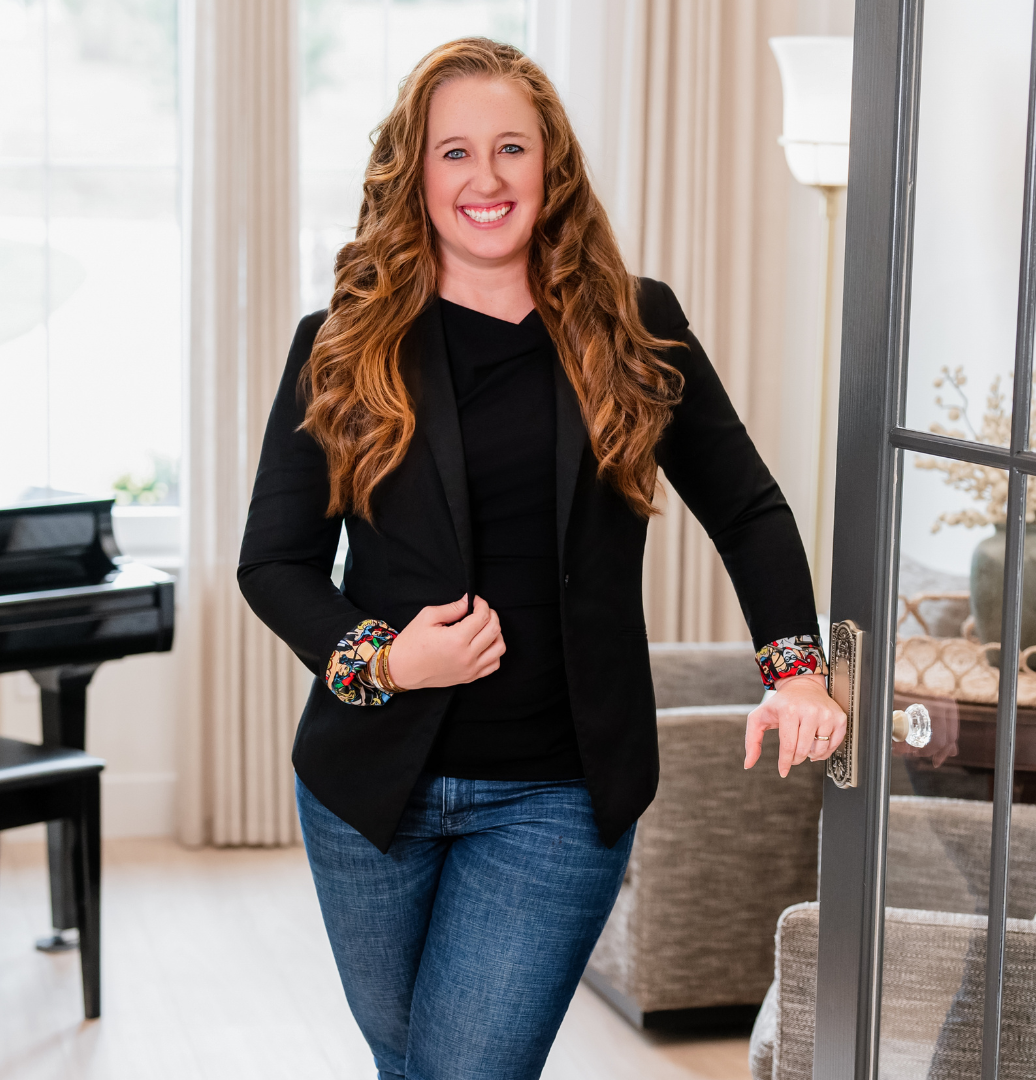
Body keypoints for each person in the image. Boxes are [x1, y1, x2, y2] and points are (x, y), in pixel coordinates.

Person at [238, 36, 846, 1080]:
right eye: (455, 152)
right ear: (414, 173)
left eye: (511, 147)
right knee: (414, 1066)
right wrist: (384, 658)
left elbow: (746, 507)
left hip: (557, 795)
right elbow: (274, 563)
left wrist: (795, 669)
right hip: (366, 790)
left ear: (551, 163)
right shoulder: (339, 338)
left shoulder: (634, 323)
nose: (486, 178)